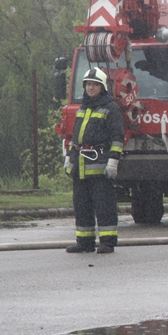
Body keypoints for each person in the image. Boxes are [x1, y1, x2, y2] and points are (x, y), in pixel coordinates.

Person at [64, 68, 125, 254]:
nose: (91, 88)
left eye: (95, 85)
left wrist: (113, 162)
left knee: (104, 206)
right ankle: (84, 242)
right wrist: (69, 158)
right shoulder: (82, 108)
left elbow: (117, 138)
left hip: (100, 167)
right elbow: (75, 137)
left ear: (102, 87)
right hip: (81, 167)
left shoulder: (111, 108)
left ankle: (107, 242)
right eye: (88, 84)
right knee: (81, 206)